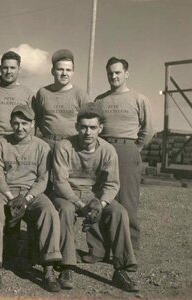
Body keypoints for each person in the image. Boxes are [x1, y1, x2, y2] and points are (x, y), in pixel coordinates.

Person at [51, 102, 139, 292]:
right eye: (83, 127)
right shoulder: (64, 146)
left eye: (92, 127)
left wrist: (102, 202)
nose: (87, 132)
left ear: (100, 128)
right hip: (69, 195)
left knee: (119, 212)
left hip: (95, 196)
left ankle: (121, 268)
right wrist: (79, 204)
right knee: (65, 210)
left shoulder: (108, 150)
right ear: (77, 127)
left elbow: (112, 183)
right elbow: (60, 182)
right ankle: (67, 266)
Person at [0, 105, 62, 293]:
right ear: (11, 124)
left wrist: (27, 198)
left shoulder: (42, 146)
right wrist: (10, 196)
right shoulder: (0, 143)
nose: (20, 127)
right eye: (16, 123)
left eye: (24, 123)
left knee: (49, 211)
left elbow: (43, 179)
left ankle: (49, 266)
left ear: (32, 124)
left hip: (32, 192)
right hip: (6, 191)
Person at [93, 57, 154, 253]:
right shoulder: (100, 100)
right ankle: (98, 249)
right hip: (103, 149)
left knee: (127, 201)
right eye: (110, 73)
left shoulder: (139, 99)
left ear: (126, 74)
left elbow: (149, 129)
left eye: (118, 72)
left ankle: (129, 249)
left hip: (128, 149)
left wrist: (135, 148)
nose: (114, 76)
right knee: (100, 196)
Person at [33, 49, 91, 149]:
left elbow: (89, 123)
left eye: (68, 70)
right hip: (47, 145)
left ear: (73, 72)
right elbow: (37, 119)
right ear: (52, 71)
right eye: (60, 69)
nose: (64, 73)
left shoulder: (80, 94)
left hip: (72, 146)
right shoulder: (43, 92)